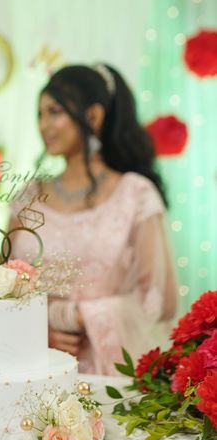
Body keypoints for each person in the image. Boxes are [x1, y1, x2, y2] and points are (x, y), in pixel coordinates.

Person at [9, 63, 177, 376]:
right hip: (31, 368)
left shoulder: (134, 195)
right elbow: (3, 288)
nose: (44, 125)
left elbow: (159, 301)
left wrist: (73, 316)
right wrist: (37, 329)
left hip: (106, 376)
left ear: (94, 116)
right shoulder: (27, 197)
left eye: (55, 111)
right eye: (40, 114)